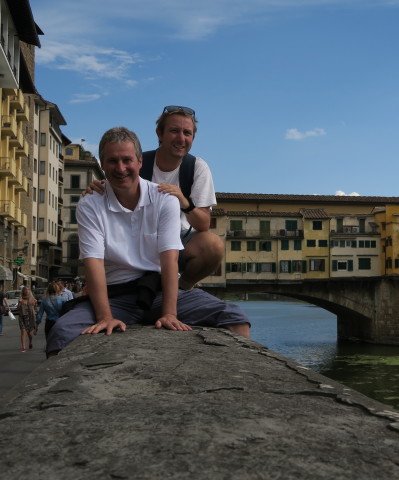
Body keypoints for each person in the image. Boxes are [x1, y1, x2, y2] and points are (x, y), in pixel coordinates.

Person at [46, 127, 249, 357]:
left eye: (127, 160)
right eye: (113, 161)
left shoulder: (164, 199)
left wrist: (170, 313)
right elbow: (93, 264)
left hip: (158, 291)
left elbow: (170, 259)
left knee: (236, 320)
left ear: (140, 162)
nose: (121, 168)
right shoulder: (90, 204)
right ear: (102, 165)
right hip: (115, 296)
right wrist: (105, 317)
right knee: (61, 334)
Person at [85, 106, 223, 290]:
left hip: (179, 240)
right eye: (174, 131)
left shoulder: (197, 167)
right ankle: (105, 285)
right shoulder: (140, 162)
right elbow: (117, 181)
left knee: (213, 245)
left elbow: (204, 224)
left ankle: (183, 287)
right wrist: (98, 187)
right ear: (159, 133)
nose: (181, 138)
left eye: (187, 133)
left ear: (193, 138)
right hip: (140, 240)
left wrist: (184, 202)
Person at [17, 287, 37, 351]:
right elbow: (18, 309)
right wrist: (19, 302)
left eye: (28, 290)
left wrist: (35, 303)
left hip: (30, 317)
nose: (27, 291)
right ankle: (23, 347)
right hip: (22, 317)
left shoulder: (32, 298)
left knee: (29, 333)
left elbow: (35, 309)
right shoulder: (21, 298)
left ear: (29, 291)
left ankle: (30, 342)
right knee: (23, 331)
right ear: (23, 291)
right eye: (25, 290)